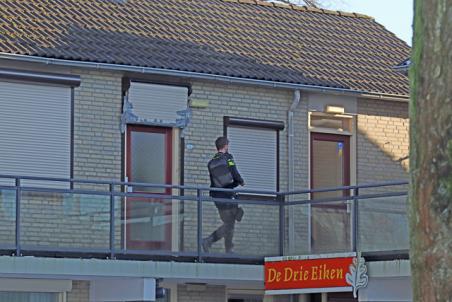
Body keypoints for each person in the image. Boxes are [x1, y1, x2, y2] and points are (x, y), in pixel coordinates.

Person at [202, 136, 244, 253]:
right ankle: (209, 241)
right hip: (228, 195)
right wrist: (240, 181)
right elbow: (233, 170)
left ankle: (228, 248)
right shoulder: (228, 158)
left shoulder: (212, 162)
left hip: (217, 197)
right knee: (230, 224)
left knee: (229, 222)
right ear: (225, 146)